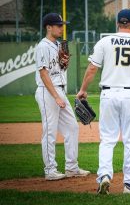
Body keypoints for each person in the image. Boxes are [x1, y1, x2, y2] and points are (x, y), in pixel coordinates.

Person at [76, 9, 130, 194]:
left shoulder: (104, 41)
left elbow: (92, 68)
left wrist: (83, 89)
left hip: (108, 94)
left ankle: (104, 176)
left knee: (107, 140)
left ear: (118, 23)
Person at [34, 13, 90, 180]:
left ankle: (71, 168)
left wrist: (64, 65)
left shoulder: (58, 45)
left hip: (59, 90)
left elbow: (57, 70)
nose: (61, 28)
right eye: (58, 25)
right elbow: (43, 73)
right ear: (48, 27)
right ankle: (50, 170)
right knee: (49, 131)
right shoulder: (42, 46)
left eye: (62, 25)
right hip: (47, 91)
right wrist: (56, 96)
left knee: (72, 127)